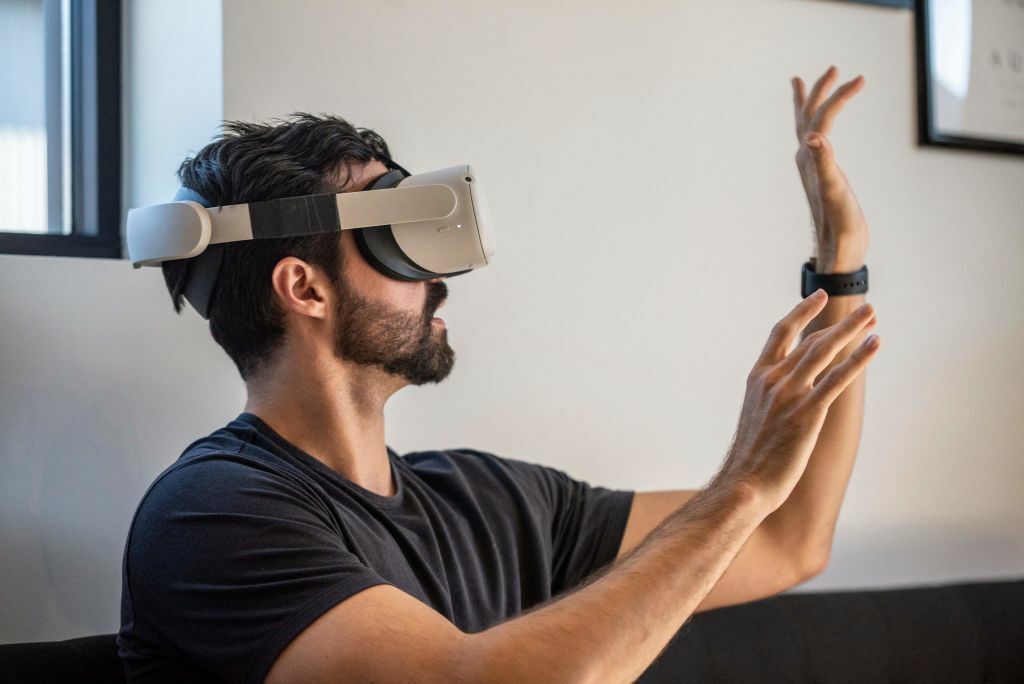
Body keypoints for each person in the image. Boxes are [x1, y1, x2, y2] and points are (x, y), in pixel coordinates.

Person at [118, 65, 879, 683]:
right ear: (304, 288)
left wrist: (839, 269)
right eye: (395, 240)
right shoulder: (210, 516)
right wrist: (740, 483)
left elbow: (789, 541)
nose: (437, 280)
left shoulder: (491, 501)